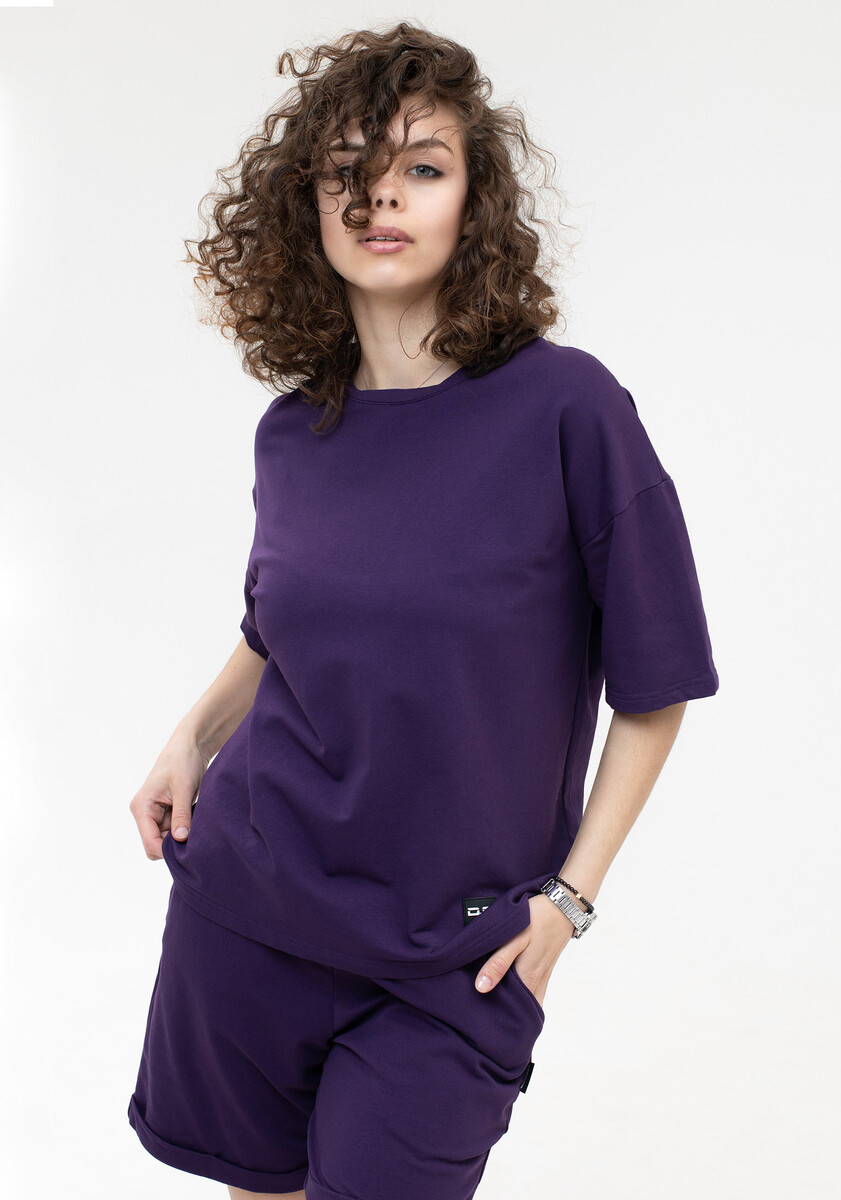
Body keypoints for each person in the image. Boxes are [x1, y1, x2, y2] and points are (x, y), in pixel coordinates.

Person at [126, 21, 720, 1200]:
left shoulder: (568, 410)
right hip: (249, 908)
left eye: (422, 166)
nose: (380, 195)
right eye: (346, 170)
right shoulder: (295, 433)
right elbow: (281, 628)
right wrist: (191, 737)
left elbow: (655, 689)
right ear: (304, 206)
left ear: (473, 202)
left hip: (458, 949)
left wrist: (567, 903)